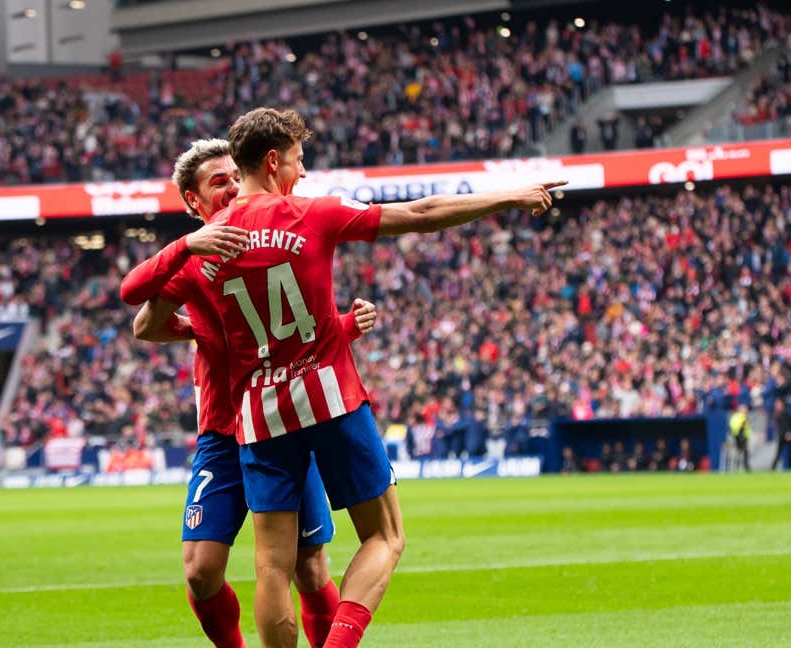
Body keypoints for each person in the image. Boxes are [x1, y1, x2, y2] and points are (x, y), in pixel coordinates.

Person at [141, 107, 562, 648]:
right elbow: (422, 211)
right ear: (272, 162)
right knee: (384, 536)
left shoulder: (202, 259)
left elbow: (142, 311)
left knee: (280, 564)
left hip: (259, 413)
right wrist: (506, 195)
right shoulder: (310, 214)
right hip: (325, 398)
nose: (303, 172)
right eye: (297, 160)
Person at [121, 138, 378, 648]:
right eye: (218, 182)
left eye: (235, 177)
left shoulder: (270, 240)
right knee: (200, 571)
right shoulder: (197, 261)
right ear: (193, 202)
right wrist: (192, 327)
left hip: (279, 419)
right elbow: (142, 321)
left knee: (308, 566)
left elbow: (294, 331)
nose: (233, 188)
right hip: (223, 428)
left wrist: (346, 326)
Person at [770, 399, 791, 470]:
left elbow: (788, 424)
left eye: (778, 403)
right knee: (779, 452)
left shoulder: (785, 412)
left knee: (790, 452)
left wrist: (789, 432)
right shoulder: (777, 413)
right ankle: (773, 467)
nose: (777, 405)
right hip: (781, 434)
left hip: (786, 434)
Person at [728, 404, 751, 472]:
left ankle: (740, 467)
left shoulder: (736, 417)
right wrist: (740, 435)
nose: (746, 410)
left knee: (741, 453)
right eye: (744, 409)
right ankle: (742, 467)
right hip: (740, 437)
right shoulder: (741, 417)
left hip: (739, 437)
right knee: (741, 453)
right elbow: (740, 427)